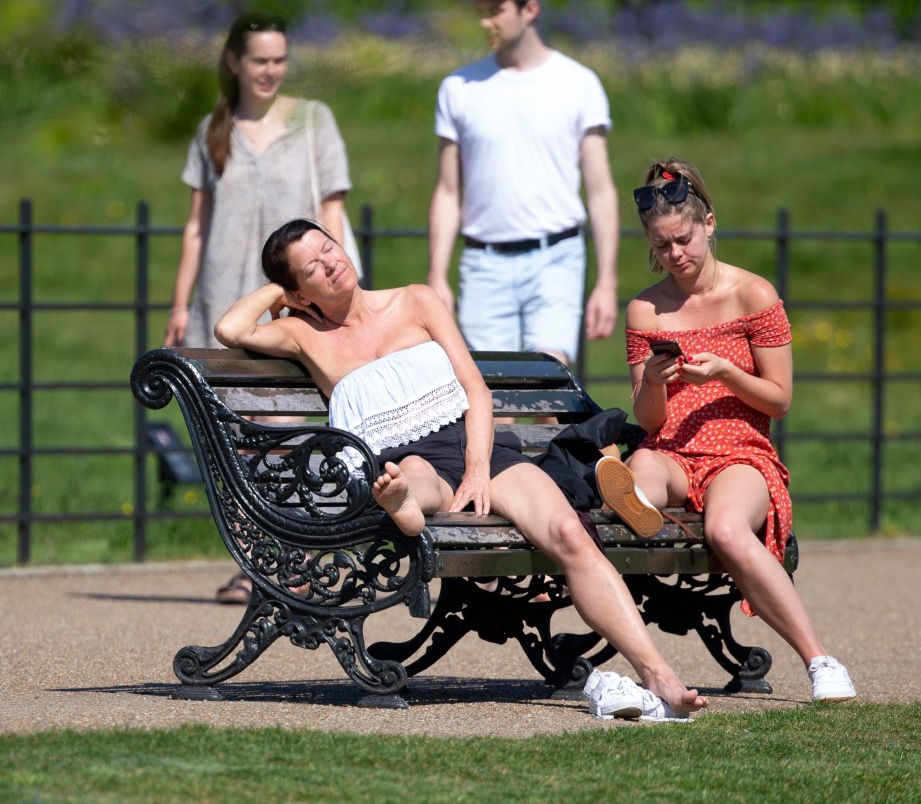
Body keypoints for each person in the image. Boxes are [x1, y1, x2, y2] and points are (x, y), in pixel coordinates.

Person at [214, 217, 709, 720]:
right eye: (313, 268)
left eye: (328, 247)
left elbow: (475, 389)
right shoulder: (302, 333)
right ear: (300, 295)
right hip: (398, 457)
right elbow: (230, 330)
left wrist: (477, 469)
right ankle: (406, 505)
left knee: (569, 533)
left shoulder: (415, 300)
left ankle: (658, 676)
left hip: (473, 445)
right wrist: (279, 287)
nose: (331, 263)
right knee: (411, 476)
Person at [597, 157, 856, 703]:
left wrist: (726, 372)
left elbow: (780, 400)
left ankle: (821, 661)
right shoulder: (646, 309)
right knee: (637, 475)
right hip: (671, 447)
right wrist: (653, 382)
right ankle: (636, 507)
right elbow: (649, 421)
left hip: (739, 451)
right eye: (662, 246)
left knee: (726, 532)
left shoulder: (753, 295)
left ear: (708, 223)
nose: (676, 255)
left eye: (684, 240)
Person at [163, 13, 357, 605]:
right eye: (259, 59)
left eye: (279, 59)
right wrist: (178, 303)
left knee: (286, 427)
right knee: (235, 439)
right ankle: (256, 563)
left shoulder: (314, 120)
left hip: (292, 304)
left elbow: (334, 210)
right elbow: (197, 228)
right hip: (224, 298)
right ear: (235, 62)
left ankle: (297, 553)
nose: (270, 70)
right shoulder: (212, 128)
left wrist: (343, 286)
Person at [427, 0, 619, 373]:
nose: (485, 21)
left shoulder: (578, 83)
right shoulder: (458, 88)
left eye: (495, 10)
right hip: (483, 261)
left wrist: (607, 280)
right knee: (490, 395)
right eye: (481, 10)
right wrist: (436, 275)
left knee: (548, 387)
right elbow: (447, 191)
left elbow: (600, 189)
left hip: (556, 256)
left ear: (528, 10)